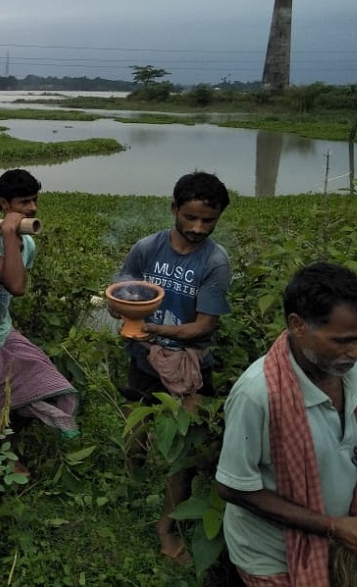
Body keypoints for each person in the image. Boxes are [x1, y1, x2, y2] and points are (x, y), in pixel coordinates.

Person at [216, 262, 357, 586]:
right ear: (298, 325)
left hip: (335, 539)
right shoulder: (258, 394)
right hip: (273, 556)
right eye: (343, 340)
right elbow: (233, 486)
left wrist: (341, 527)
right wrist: (332, 526)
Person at [115, 170, 231, 562]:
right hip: (142, 359)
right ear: (174, 210)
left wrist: (152, 327)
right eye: (190, 218)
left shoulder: (215, 262)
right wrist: (127, 315)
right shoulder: (146, 249)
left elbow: (204, 325)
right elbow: (121, 293)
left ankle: (165, 526)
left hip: (187, 368)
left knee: (182, 450)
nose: (198, 228)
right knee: (135, 431)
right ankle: (131, 483)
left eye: (208, 221)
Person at [0, 169, 80, 475]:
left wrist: (16, 236)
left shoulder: (28, 244)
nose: (32, 208)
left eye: (34, 200)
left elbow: (13, 287)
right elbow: (15, 285)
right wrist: (8, 233)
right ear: (4, 204)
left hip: (1, 330)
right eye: (24, 202)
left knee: (43, 378)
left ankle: (7, 446)